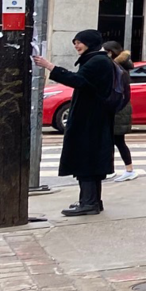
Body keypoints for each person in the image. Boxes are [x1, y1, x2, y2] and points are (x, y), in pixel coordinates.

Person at [32, 30, 117, 216]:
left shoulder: (97, 61)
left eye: (80, 42)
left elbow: (79, 81)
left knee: (85, 159)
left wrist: (50, 67)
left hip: (89, 120)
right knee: (90, 160)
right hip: (93, 118)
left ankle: (89, 203)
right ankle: (91, 201)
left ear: (90, 43)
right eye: (75, 42)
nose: (77, 46)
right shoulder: (98, 59)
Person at [103, 41, 139, 182]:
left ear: (110, 52)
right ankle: (110, 169)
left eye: (104, 51)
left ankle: (129, 170)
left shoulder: (116, 67)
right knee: (112, 140)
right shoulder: (119, 65)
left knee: (118, 140)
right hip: (120, 107)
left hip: (118, 108)